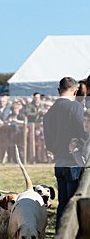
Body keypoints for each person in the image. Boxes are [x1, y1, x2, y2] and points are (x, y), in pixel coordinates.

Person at [43, 76, 86, 228]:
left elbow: (47, 137)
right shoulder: (76, 107)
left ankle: (59, 233)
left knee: (62, 202)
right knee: (73, 202)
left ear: (58, 90)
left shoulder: (50, 110)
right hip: (74, 161)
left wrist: (54, 150)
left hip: (59, 161)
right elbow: (83, 132)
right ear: (75, 91)